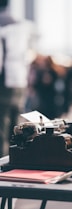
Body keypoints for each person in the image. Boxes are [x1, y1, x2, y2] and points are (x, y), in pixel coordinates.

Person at [0, 0, 34, 157]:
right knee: (15, 127)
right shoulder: (21, 25)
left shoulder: (2, 24)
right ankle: (16, 158)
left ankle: (1, 161)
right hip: (20, 79)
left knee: (1, 126)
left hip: (4, 81)